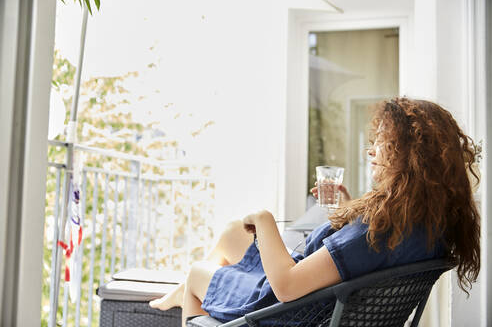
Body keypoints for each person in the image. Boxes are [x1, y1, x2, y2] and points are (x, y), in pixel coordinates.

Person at [149, 97, 481, 327]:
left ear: (409, 154)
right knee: (234, 233)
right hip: (320, 302)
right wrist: (349, 208)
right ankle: (186, 292)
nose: (371, 151)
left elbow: (287, 288)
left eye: (382, 142)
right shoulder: (424, 226)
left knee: (196, 273)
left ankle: (189, 291)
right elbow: (362, 256)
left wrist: (264, 219)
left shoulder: (376, 231)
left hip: (288, 312)